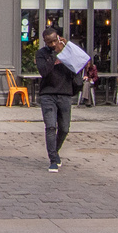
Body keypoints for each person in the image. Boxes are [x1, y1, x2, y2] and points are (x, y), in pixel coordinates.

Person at [37, 27, 79, 171]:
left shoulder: (68, 50)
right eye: (49, 42)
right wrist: (55, 54)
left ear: (59, 37)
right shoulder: (42, 54)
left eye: (55, 40)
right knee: (50, 127)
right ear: (45, 42)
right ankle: (53, 159)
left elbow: (77, 68)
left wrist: (67, 51)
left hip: (65, 93)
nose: (53, 44)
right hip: (47, 94)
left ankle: (55, 151)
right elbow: (44, 72)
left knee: (65, 128)